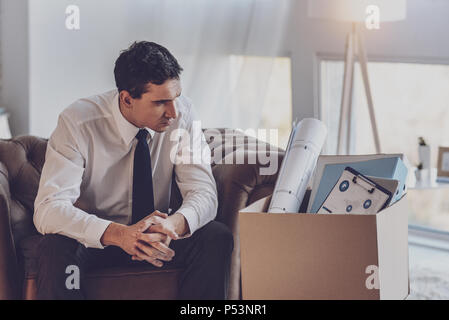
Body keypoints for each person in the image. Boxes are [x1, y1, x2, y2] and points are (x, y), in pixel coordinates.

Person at [33, 41, 233, 300]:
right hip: (100, 239)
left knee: (216, 236)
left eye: (176, 97)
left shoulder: (182, 114)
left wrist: (172, 225)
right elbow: (48, 209)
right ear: (127, 98)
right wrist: (120, 235)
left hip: (158, 236)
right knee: (55, 246)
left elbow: (203, 191)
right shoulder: (77, 122)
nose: (173, 112)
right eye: (161, 102)